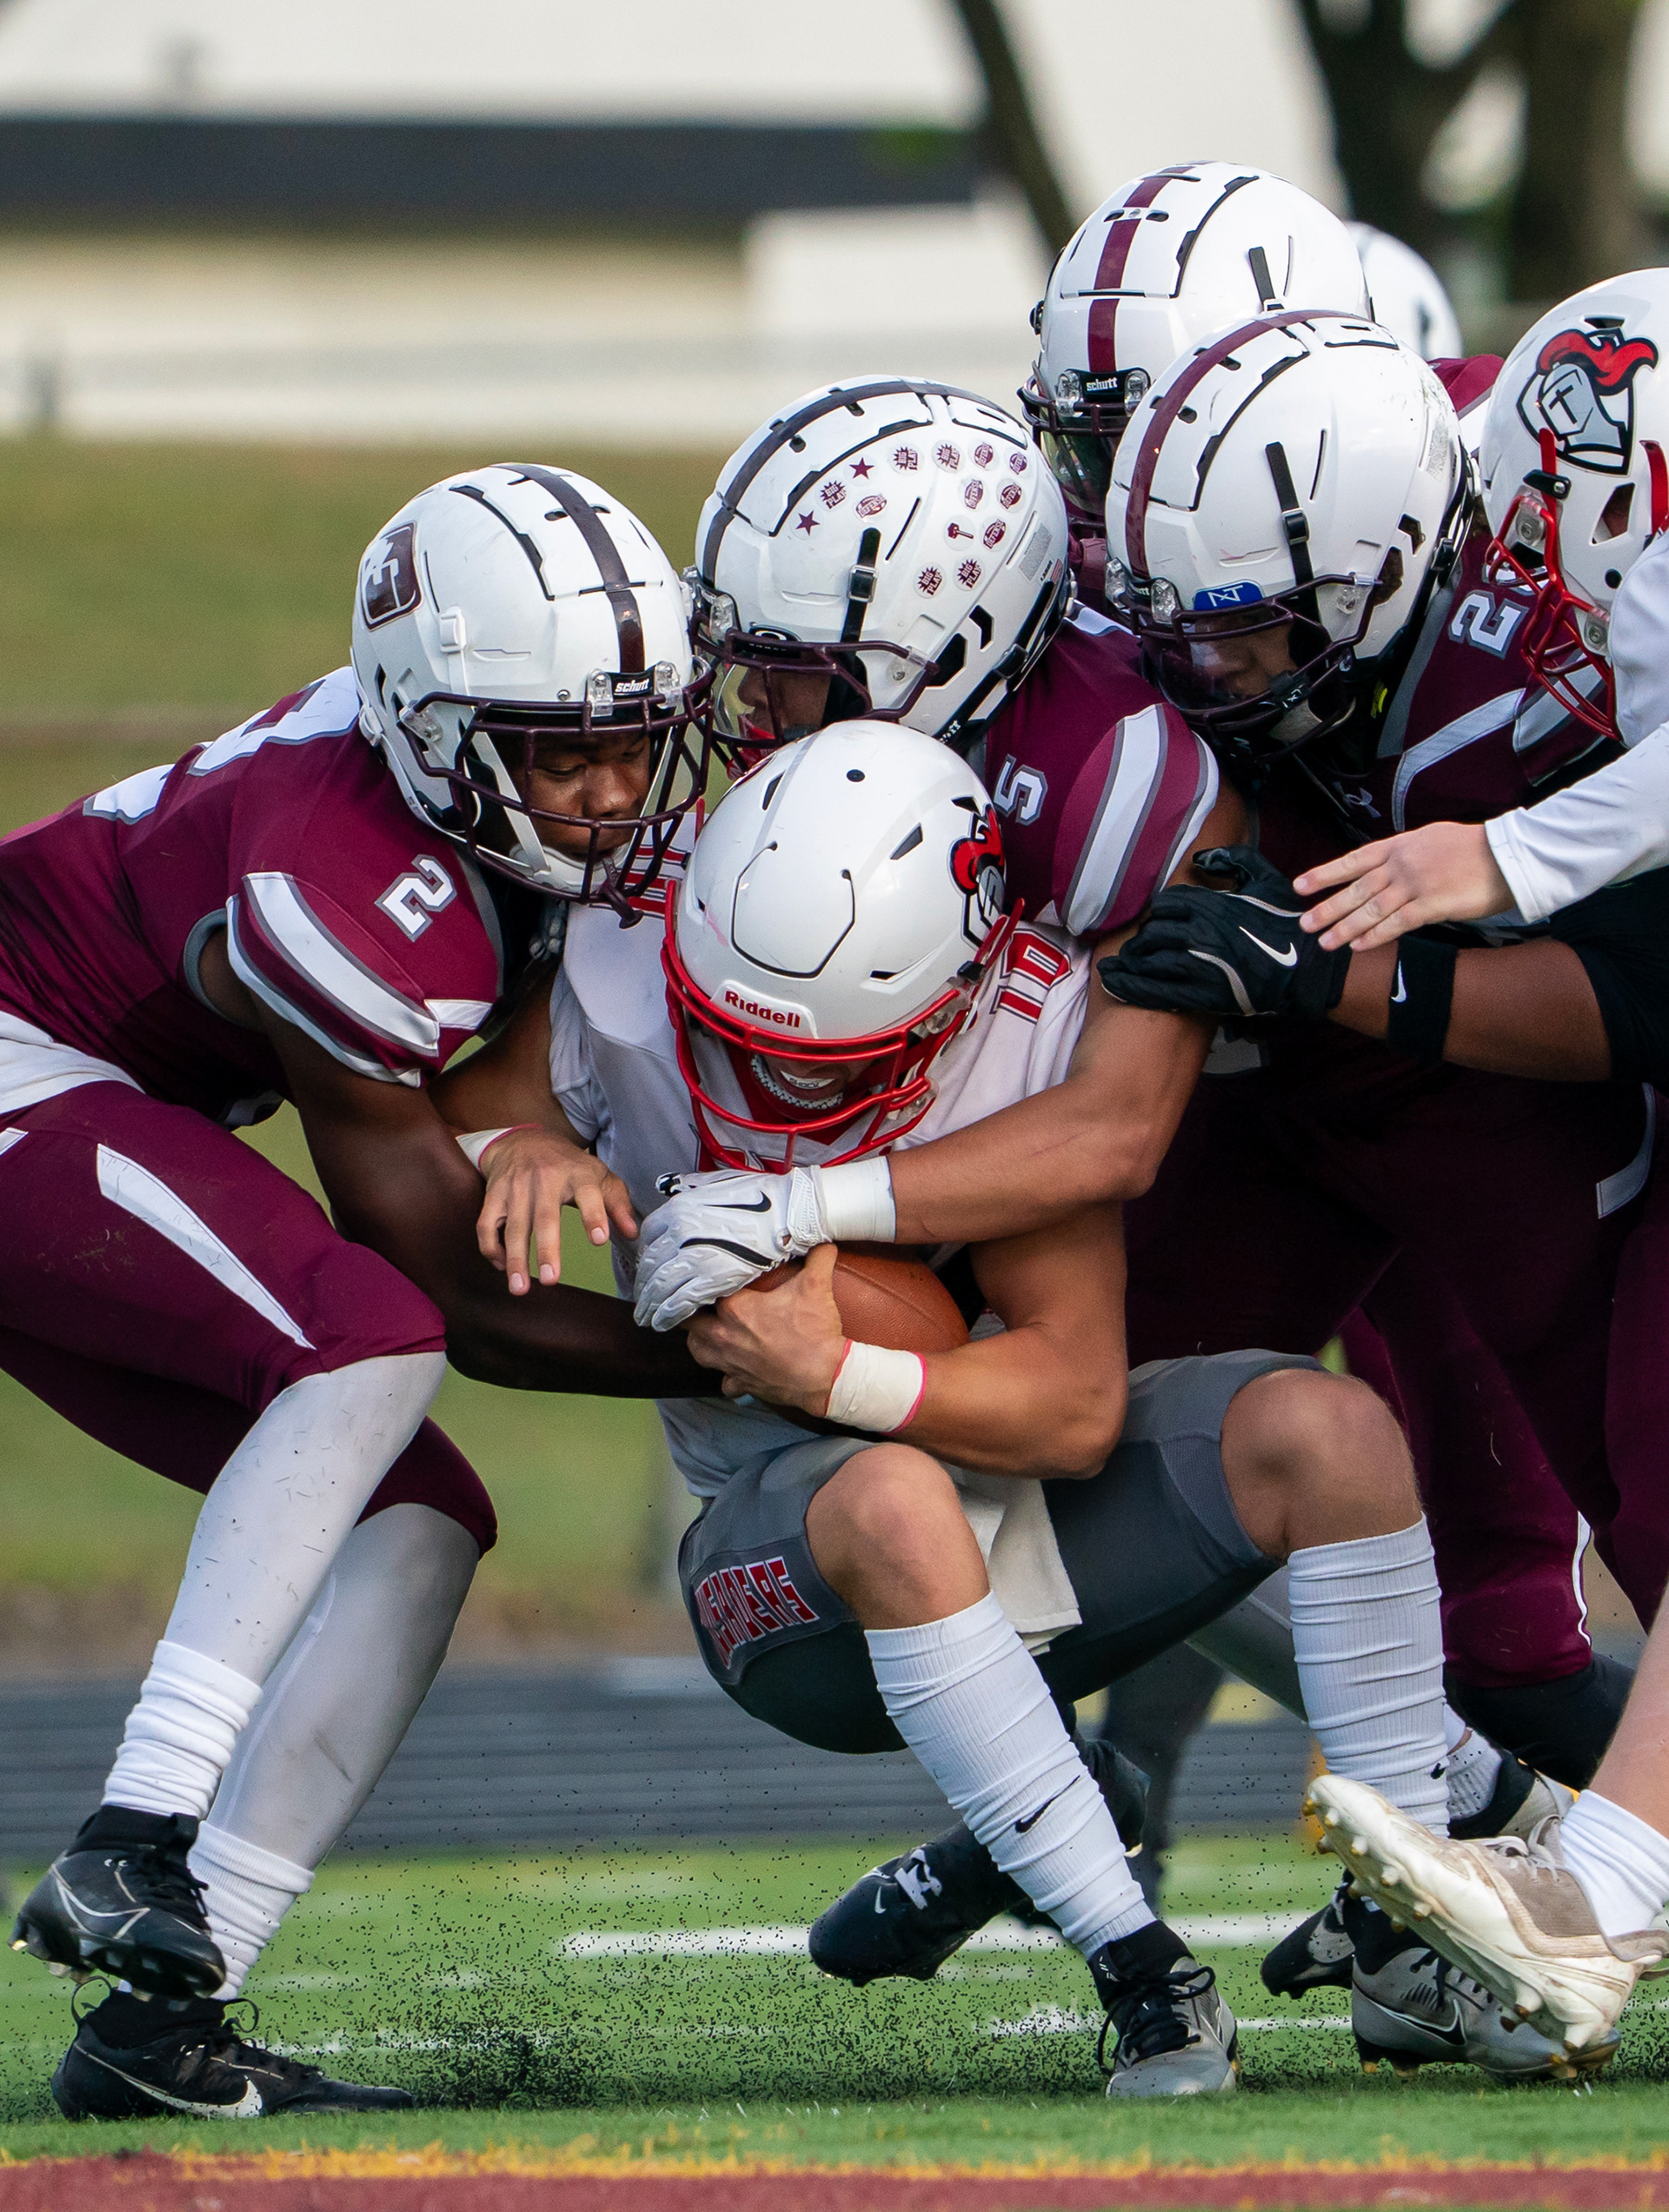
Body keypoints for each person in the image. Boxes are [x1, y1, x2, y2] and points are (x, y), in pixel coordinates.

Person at [466, 721, 1594, 2088]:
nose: (778, 1090)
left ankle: (1408, 1938)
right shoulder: (613, 969)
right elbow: (473, 1104)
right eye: (738, 1037)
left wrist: (830, 1370)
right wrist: (511, 1134)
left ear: (954, 993)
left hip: (1020, 1498)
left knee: (1332, 1433)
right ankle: (1144, 1970)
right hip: (790, 1558)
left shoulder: (1019, 1034)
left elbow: (1069, 1407)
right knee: (890, 1493)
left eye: (830, 1059)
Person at [7, 464, 712, 2119]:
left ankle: (168, 2025)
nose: (616, 786)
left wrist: (523, 1120)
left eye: (634, 735)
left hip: (100, 1107)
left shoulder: (458, 804)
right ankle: (133, 1835)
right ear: (430, 725)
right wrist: (745, 1360)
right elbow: (437, 1292)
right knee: (371, 1340)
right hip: (23, 1073)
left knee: (422, 1519)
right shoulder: (340, 871)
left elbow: (490, 1066)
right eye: (563, 750)